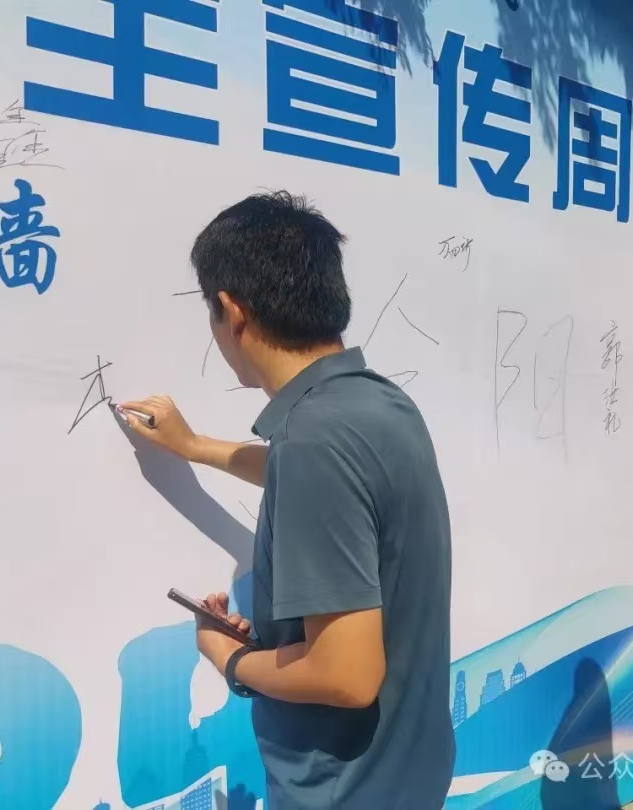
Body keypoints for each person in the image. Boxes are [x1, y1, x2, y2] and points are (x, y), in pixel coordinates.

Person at [120, 191, 455, 809]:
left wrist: (232, 659)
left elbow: (346, 676)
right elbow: (306, 474)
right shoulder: (377, 403)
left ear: (231, 311)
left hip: (345, 790)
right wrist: (193, 447)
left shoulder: (314, 441)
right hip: (409, 768)